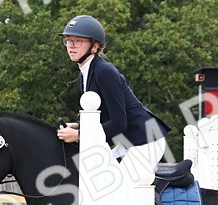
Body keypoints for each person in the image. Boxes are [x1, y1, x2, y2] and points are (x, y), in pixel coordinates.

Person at [55, 14, 170, 182]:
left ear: (94, 47)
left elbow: (118, 123)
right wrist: (78, 126)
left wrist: (79, 135)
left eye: (77, 41)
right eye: (68, 41)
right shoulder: (85, 74)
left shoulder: (104, 72)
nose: (71, 46)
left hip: (146, 141)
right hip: (128, 142)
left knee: (120, 189)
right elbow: (103, 117)